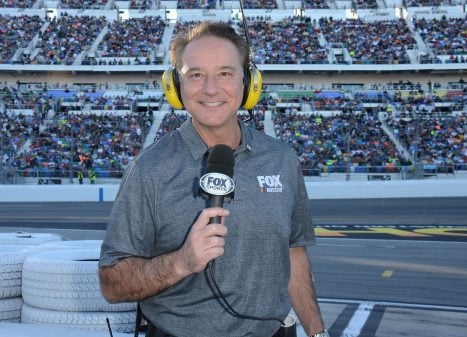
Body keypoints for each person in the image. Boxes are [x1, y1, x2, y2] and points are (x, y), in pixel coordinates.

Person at [99, 21, 328, 337]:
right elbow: (111, 284)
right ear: (176, 87)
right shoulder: (148, 170)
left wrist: (318, 333)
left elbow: (294, 255)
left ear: (248, 83)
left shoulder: (282, 159)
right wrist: (181, 262)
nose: (210, 89)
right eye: (195, 75)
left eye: (225, 73)